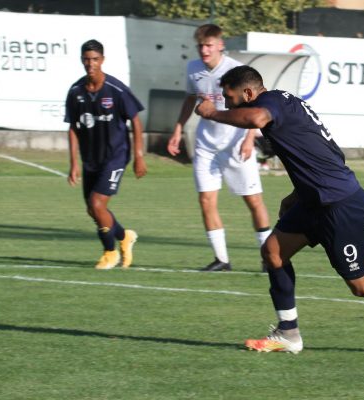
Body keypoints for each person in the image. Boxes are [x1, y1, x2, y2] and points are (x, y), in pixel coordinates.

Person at [195, 65, 364, 353]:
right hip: (314, 202)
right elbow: (324, 154)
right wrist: (298, 193)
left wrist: (212, 113)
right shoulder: (284, 103)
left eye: (230, 97)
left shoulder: (269, 104)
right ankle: (288, 333)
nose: (226, 103)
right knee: (273, 253)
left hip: (340, 205)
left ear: (249, 93)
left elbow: (256, 117)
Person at [167, 24, 271, 272]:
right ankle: (222, 260)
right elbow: (191, 99)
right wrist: (178, 128)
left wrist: (249, 139)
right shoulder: (193, 69)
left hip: (235, 144)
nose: (204, 50)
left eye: (209, 45)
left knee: (253, 201)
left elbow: (251, 106)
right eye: (200, 45)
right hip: (206, 145)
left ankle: (269, 259)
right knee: (206, 199)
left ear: (220, 45)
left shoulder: (235, 70)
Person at [65, 39, 147, 270]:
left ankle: (110, 252)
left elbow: (136, 121)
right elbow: (72, 127)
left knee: (97, 203)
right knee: (93, 209)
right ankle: (124, 236)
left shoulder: (116, 89)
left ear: (102, 60)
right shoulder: (75, 91)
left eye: (95, 59)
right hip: (91, 158)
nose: (90, 64)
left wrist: (139, 156)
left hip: (116, 156)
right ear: (82, 60)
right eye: (86, 59)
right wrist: (73, 163)